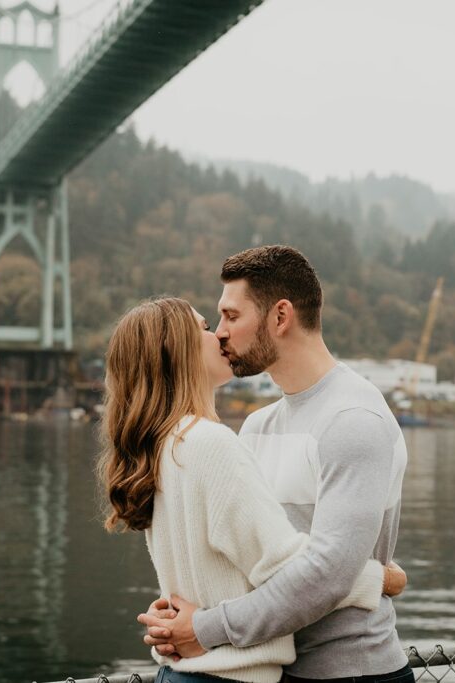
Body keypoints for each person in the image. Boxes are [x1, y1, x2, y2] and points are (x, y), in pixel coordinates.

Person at [138, 246, 413, 683]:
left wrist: (204, 629)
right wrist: (178, 610)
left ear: (280, 317)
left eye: (231, 316)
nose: (222, 333)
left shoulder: (353, 421)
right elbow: (248, 562)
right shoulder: (256, 426)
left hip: (348, 674)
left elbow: (327, 576)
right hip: (265, 670)